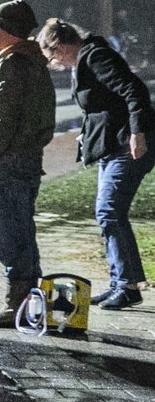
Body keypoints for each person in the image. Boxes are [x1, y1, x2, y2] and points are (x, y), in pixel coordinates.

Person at [38, 17, 153, 310]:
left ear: (61, 46)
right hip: (111, 145)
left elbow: (134, 91)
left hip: (126, 145)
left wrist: (137, 133)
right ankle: (119, 283)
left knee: (109, 211)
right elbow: (103, 106)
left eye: (53, 57)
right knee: (107, 213)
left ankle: (128, 286)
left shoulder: (95, 56)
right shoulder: (86, 58)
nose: (55, 63)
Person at [0, 0, 57, 327]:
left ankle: (16, 304)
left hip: (9, 159)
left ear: (8, 29)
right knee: (23, 228)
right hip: (28, 157)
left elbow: (2, 115)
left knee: (10, 231)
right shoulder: (33, 60)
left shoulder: (13, 63)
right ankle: (30, 302)